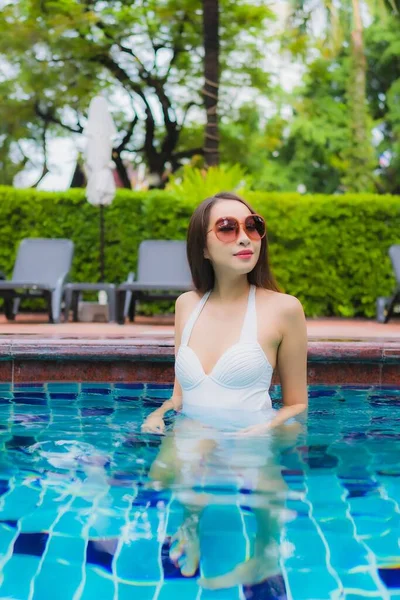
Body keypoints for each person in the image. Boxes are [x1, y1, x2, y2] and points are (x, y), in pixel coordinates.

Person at [141, 191, 308, 589]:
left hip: (254, 431)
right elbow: (181, 393)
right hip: (196, 427)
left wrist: (264, 430)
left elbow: (298, 404)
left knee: (263, 480)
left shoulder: (284, 309)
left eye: (253, 226)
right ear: (203, 246)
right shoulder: (186, 305)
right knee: (158, 479)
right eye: (228, 228)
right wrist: (158, 413)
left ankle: (265, 555)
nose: (245, 237)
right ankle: (191, 524)